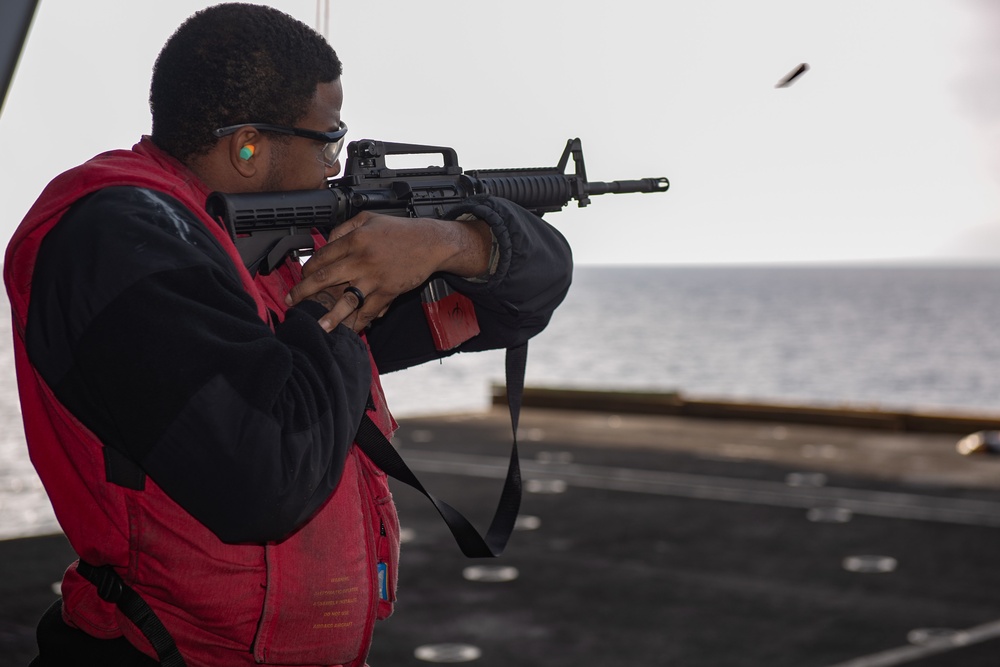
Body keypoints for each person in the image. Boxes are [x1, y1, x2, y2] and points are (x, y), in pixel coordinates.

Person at [4, 3, 572, 666]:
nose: (336, 166)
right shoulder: (118, 241)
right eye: (328, 141)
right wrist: (352, 290)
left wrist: (450, 240)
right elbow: (265, 479)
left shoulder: (269, 262)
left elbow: (528, 295)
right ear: (248, 147)